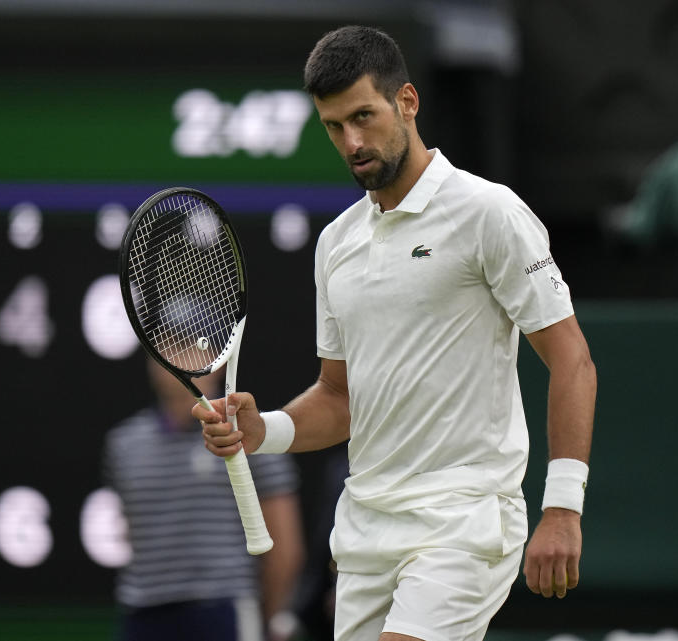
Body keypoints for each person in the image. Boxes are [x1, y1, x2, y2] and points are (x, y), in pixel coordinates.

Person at [196, 25, 597, 641]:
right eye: (334, 126)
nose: (352, 142)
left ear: (407, 102)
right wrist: (264, 430)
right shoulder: (335, 244)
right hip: (366, 531)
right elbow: (340, 397)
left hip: (464, 524)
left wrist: (563, 508)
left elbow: (572, 360)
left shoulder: (489, 212)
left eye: (364, 116)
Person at [102, 355, 305, 641]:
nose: (177, 360)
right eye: (168, 345)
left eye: (190, 347)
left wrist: (271, 618)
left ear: (219, 362)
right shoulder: (123, 445)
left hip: (225, 608)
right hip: (143, 611)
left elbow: (285, 547)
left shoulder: (251, 436)